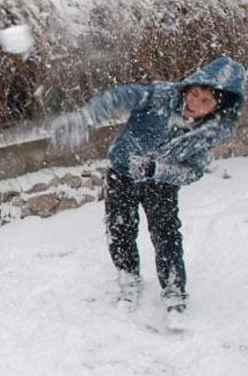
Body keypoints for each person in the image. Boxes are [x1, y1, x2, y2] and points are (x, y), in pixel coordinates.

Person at [52, 56, 246, 327]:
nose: (195, 105)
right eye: (194, 94)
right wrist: (88, 118)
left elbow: (193, 171)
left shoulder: (209, 133)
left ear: (218, 106)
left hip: (161, 185)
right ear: (188, 88)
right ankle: (128, 280)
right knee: (120, 229)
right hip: (123, 172)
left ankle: (174, 292)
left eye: (206, 102)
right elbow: (123, 96)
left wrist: (157, 170)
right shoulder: (160, 97)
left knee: (166, 236)